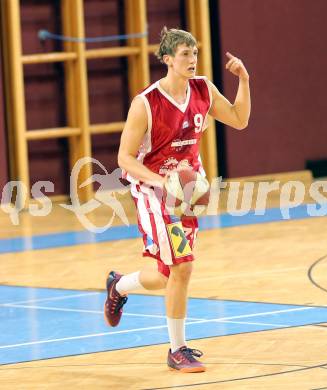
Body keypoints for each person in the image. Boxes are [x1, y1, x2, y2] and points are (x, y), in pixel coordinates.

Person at [104, 27, 250, 373]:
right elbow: (124, 158)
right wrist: (162, 182)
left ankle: (118, 285)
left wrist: (244, 79)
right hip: (153, 190)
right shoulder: (146, 103)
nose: (193, 59)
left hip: (186, 194)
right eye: (185, 54)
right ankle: (177, 349)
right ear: (168, 59)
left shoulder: (202, 89)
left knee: (167, 273)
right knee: (183, 266)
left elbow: (240, 120)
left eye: (195, 53)